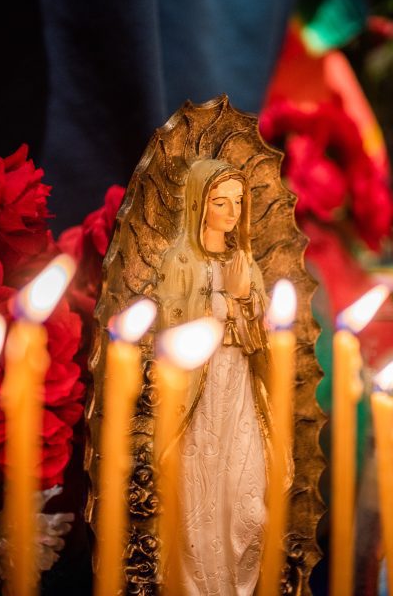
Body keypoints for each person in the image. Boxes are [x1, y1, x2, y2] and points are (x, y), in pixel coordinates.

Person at [155, 158, 275, 595]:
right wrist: (222, 298)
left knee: (248, 502)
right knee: (196, 495)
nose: (232, 212)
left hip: (238, 384)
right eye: (220, 201)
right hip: (197, 394)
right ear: (197, 205)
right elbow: (169, 328)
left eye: (239, 202)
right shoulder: (181, 262)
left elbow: (262, 333)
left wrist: (245, 300)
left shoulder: (247, 263)